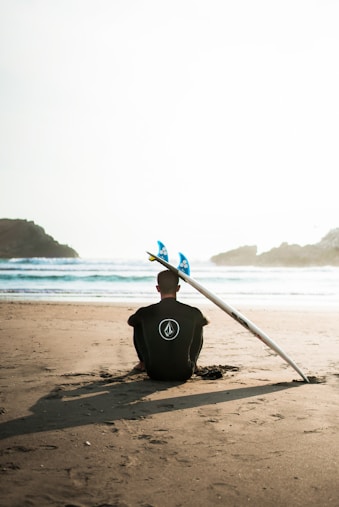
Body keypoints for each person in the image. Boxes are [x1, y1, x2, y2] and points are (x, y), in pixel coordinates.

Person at [128, 269, 208, 381]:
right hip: (184, 372)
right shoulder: (192, 312)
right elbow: (205, 321)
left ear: (158, 288)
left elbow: (130, 322)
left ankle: (143, 363)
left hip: (154, 372)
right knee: (198, 323)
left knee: (138, 323)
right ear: (178, 288)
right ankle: (194, 364)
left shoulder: (145, 312)